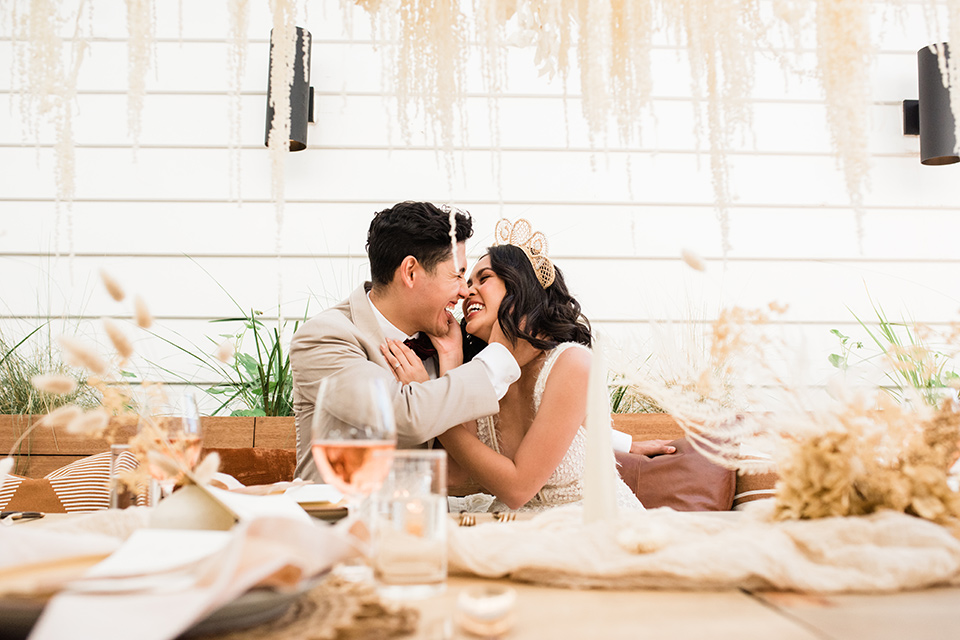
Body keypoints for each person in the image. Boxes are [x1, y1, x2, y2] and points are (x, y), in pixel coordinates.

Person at [382, 219, 644, 512]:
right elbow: (455, 476)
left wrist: (428, 397)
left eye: (484, 278)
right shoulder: (479, 373)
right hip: (513, 523)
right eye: (467, 283)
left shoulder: (572, 362)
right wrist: (452, 358)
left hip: (586, 521)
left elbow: (518, 489)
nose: (467, 292)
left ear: (519, 285)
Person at [290, 202, 522, 482]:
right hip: (340, 520)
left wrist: (451, 360)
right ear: (410, 272)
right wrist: (499, 357)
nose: (464, 290)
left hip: (421, 520)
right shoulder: (323, 338)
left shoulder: (444, 340)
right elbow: (403, 417)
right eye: (457, 274)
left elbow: (456, 472)